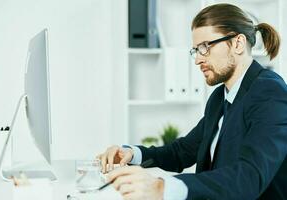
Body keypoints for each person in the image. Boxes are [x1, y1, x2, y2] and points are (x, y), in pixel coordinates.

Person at [97, 3, 287, 200]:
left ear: (238, 43)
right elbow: (183, 151)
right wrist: (132, 154)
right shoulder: (220, 97)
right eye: (196, 50)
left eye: (205, 47)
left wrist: (162, 188)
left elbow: (249, 178)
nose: (197, 59)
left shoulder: (270, 93)